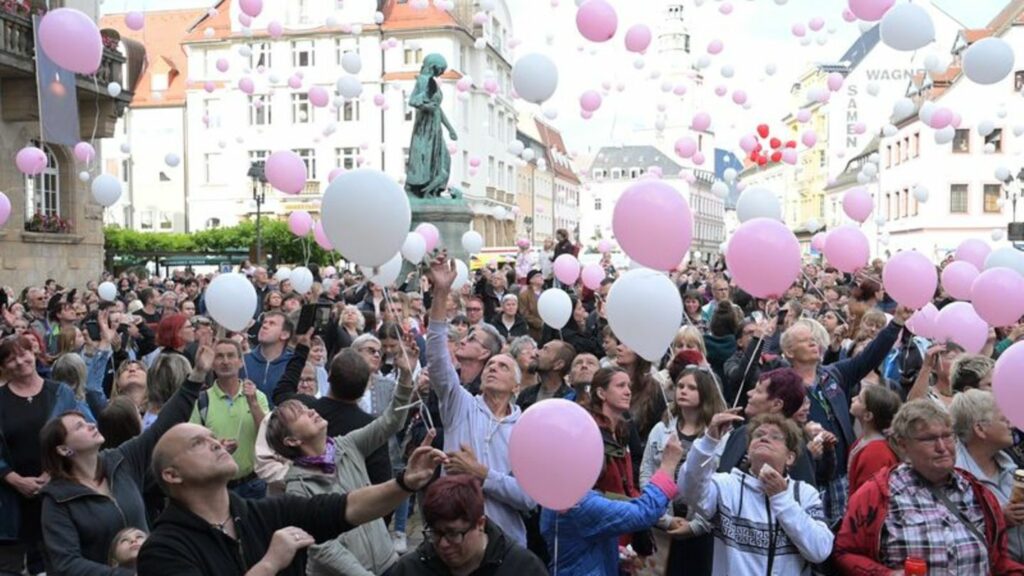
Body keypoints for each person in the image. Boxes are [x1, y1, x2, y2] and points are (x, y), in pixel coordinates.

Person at [136, 419, 447, 576]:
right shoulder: (164, 548)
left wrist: (404, 483)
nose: (216, 444)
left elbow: (347, 507)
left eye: (213, 437)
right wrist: (270, 564)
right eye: (197, 444)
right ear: (172, 475)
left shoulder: (265, 514)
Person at [37, 347, 206, 575]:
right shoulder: (57, 500)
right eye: (79, 426)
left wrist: (196, 376)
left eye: (87, 421)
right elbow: (66, 564)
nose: (90, 424)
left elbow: (162, 427)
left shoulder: (121, 460)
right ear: (64, 449)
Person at [266, 332, 418, 575]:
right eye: (301, 414)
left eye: (307, 407)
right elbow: (323, 547)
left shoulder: (346, 445)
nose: (311, 411)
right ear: (292, 440)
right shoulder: (297, 488)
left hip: (387, 562)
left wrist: (406, 376)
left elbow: (390, 421)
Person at [835, 399, 1024, 575]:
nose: (942, 447)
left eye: (947, 436)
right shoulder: (877, 494)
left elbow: (998, 561)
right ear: (903, 445)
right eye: (929, 439)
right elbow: (845, 551)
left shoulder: (977, 493)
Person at [424, 253, 534, 546]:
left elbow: (529, 498)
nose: (493, 370)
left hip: (506, 545)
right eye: (490, 366)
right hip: (453, 539)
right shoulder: (461, 405)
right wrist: (441, 293)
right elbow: (436, 356)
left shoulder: (527, 427)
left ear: (516, 387)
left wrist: (481, 474)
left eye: (503, 366)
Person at [680, 411, 835, 575]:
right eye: (758, 434)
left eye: (776, 437)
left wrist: (782, 499)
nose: (764, 438)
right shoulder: (726, 485)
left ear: (789, 457)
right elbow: (689, 490)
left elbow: (820, 550)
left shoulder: (804, 493)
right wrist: (708, 441)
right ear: (748, 451)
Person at [0, 336, 82, 575]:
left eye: (23, 354)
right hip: (9, 501)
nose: (20, 361)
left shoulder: (60, 393)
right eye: (10, 359)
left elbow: (78, 434)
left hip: (56, 493)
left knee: (56, 565)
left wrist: (52, 471)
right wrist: (12, 478)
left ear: (34, 354)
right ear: (3, 367)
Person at [640, 362, 726, 576]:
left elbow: (721, 483)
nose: (683, 391)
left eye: (692, 388)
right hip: (663, 526)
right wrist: (664, 520)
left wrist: (697, 525)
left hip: (702, 530)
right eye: (680, 386)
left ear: (705, 393)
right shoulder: (661, 429)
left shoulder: (719, 435)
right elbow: (647, 472)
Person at [390, 475, 547, 575]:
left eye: (453, 534)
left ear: (480, 524)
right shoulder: (410, 569)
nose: (443, 544)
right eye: (435, 533)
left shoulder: (523, 568)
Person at [191, 339, 269, 499]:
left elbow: (268, 434)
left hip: (253, 485)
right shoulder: (201, 401)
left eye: (231, 356)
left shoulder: (258, 396)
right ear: (212, 363)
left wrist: (253, 403)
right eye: (219, 356)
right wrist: (217, 448)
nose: (225, 361)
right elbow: (193, 443)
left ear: (241, 362)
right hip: (216, 485)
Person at [952, 389, 1024, 562]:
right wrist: (999, 518)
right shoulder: (955, 475)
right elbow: (950, 532)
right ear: (980, 429)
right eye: (1003, 419)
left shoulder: (1008, 463)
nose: (1012, 425)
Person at [717, 368, 821, 487]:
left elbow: (800, 499)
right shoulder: (739, 434)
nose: (749, 393)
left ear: (777, 404)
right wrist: (711, 439)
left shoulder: (794, 445)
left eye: (758, 391)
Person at [405, 53, 458, 198]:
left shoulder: (432, 82)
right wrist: (426, 105)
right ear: (433, 66)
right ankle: (421, 189)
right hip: (424, 127)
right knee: (424, 158)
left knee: (444, 159)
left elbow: (438, 108)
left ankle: (435, 190)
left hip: (435, 127)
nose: (441, 73)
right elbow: (413, 100)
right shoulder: (423, 80)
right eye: (440, 70)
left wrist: (450, 129)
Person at [847, 384, 901, 496]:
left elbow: (868, 496)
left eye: (859, 400)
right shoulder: (863, 441)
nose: (853, 399)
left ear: (868, 416)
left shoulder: (875, 454)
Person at [244, 311, 295, 403]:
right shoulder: (243, 361)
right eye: (264, 322)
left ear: (285, 335)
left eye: (272, 323)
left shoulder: (294, 364)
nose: (264, 326)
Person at [516, 340, 576, 411]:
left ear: (558, 365)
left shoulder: (571, 399)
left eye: (545, 350)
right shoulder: (526, 395)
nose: (536, 353)